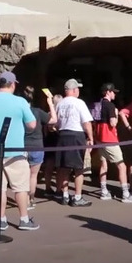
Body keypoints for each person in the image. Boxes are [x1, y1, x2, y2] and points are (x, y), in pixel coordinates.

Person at [0, 71, 40, 231]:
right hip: (15, 150)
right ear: (13, 84)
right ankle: (24, 219)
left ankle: (1, 219)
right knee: (20, 187)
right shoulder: (20, 102)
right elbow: (32, 124)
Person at [55, 78, 94, 207]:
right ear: (74, 90)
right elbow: (86, 122)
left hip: (62, 135)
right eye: (77, 89)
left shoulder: (60, 104)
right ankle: (77, 196)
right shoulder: (79, 103)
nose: (78, 91)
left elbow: (55, 123)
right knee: (78, 168)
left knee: (64, 167)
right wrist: (90, 138)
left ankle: (65, 195)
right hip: (76, 134)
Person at [95, 83, 132, 203]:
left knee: (103, 164)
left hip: (99, 137)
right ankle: (125, 193)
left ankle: (104, 190)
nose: (114, 94)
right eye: (113, 92)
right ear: (107, 92)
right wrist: (116, 114)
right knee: (121, 165)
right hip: (109, 138)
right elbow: (113, 123)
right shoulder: (110, 106)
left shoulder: (98, 105)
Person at [21, 86, 56, 209]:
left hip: (22, 146)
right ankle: (31, 199)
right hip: (37, 146)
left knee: (23, 176)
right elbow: (54, 120)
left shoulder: (19, 112)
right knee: (33, 176)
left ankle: (23, 200)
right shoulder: (38, 111)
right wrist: (50, 104)